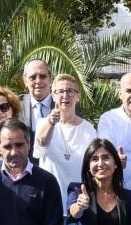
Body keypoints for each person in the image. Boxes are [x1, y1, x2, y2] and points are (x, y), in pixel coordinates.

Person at [33, 74, 98, 210]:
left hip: (78, 203)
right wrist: (51, 122)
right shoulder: (43, 123)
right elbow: (42, 142)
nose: (65, 95)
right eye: (60, 91)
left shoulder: (89, 129)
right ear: (53, 95)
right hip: (50, 201)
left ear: (77, 96)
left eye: (70, 91)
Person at [0, 59, 55, 134]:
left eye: (43, 76)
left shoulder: (65, 105)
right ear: (25, 80)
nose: (38, 81)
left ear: (50, 78)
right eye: (32, 77)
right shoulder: (13, 104)